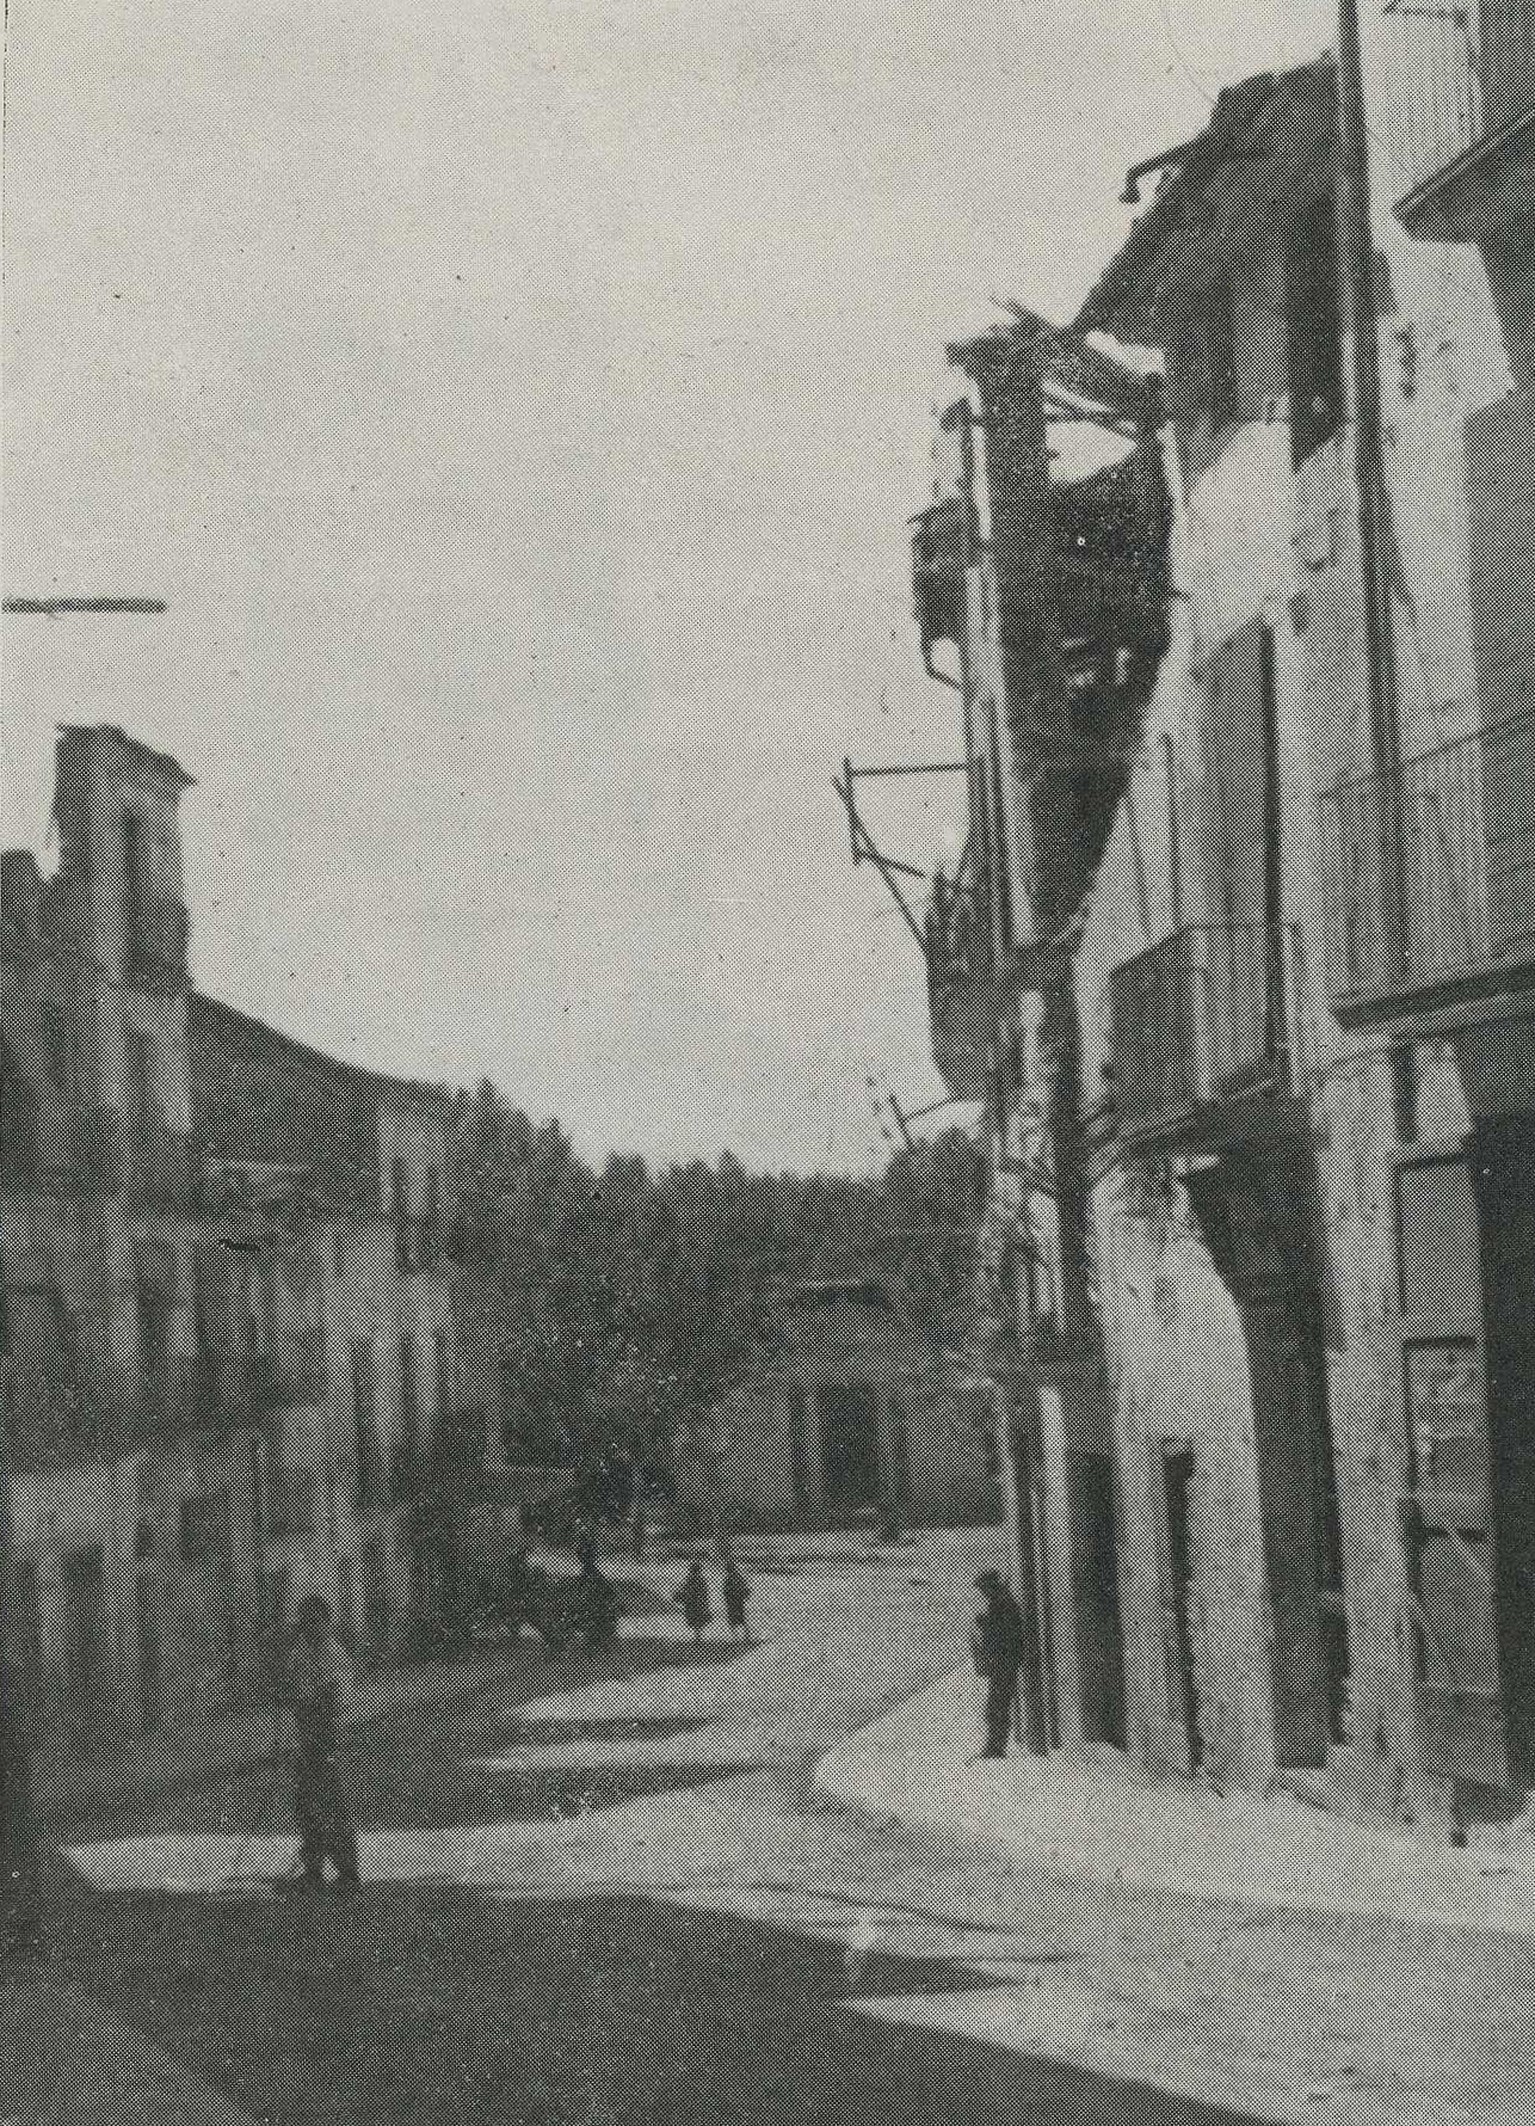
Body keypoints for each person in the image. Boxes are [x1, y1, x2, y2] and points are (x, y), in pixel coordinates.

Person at [286, 1595, 360, 1892]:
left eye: (316, 1623)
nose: (311, 1629)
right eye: (306, 1623)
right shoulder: (301, 1652)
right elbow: (290, 1683)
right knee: (305, 1803)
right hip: (305, 1736)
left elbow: (332, 1695)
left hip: (329, 1737)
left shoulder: (333, 1654)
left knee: (333, 1803)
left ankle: (347, 1871)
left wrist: (302, 1701)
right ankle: (313, 1867)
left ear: (326, 1623)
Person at [970, 1571, 1026, 1759]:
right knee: (996, 1706)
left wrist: (983, 1624)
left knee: (996, 1707)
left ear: (990, 1586)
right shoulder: (1003, 1602)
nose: (983, 1593)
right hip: (1005, 1663)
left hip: (1003, 1663)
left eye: (984, 1589)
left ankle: (995, 1748)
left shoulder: (1001, 1604)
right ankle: (995, 1746)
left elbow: (1001, 1635)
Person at [676, 1556, 713, 1642]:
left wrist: (683, 1595)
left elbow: (686, 1589)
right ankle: (698, 1637)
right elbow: (704, 1592)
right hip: (698, 1602)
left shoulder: (691, 1579)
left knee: (695, 1619)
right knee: (697, 1620)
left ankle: (698, 1637)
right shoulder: (700, 1579)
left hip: (693, 1602)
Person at [721, 1554, 750, 1642]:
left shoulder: (729, 1578)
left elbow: (725, 1590)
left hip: (732, 1601)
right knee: (741, 1618)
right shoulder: (738, 1577)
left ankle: (736, 1637)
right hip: (738, 1601)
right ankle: (746, 1635)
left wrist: (727, 1597)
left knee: (733, 1620)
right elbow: (744, 1588)